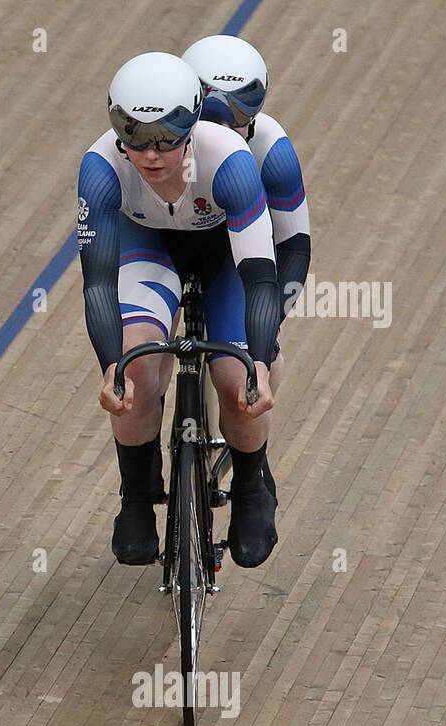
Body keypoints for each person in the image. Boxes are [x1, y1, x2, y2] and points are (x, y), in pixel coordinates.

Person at [77, 51, 280, 569]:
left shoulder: (228, 160)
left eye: (168, 136)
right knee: (137, 367)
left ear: (194, 120)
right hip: (147, 247)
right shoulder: (101, 169)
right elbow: (98, 283)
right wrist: (110, 366)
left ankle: (253, 491)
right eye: (135, 135)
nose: (151, 153)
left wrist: (259, 358)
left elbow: (258, 275)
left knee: (238, 384)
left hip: (222, 259)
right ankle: (137, 498)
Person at [183, 36, 311, 497]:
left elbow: (294, 248)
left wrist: (266, 329)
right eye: (214, 117)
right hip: (165, 249)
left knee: (239, 374)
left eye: (241, 116)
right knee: (144, 364)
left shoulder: (272, 149)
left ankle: (254, 481)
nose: (228, 130)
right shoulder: (161, 142)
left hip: (235, 260)